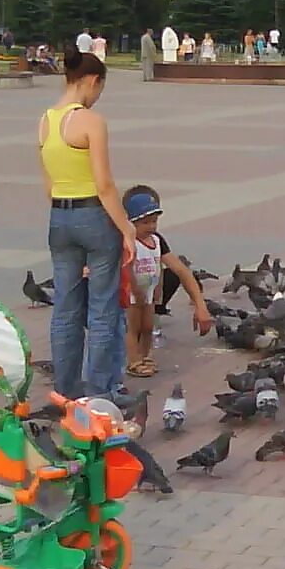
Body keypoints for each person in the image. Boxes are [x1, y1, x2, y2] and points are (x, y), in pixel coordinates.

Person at [38, 45, 132, 400]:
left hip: (59, 218)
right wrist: (126, 229)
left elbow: (48, 182)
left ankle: (65, 390)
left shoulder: (45, 121)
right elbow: (104, 184)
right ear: (92, 80)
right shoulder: (91, 122)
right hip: (94, 214)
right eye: (99, 89)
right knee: (103, 307)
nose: (97, 97)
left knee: (65, 306)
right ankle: (100, 391)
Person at [120, 185, 213, 378]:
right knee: (133, 326)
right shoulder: (126, 241)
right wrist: (134, 289)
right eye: (146, 222)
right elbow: (126, 268)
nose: (152, 227)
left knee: (147, 326)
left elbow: (177, 269)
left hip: (149, 293)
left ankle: (146, 356)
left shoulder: (156, 241)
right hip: (132, 294)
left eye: (154, 221)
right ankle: (134, 360)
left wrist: (199, 304)